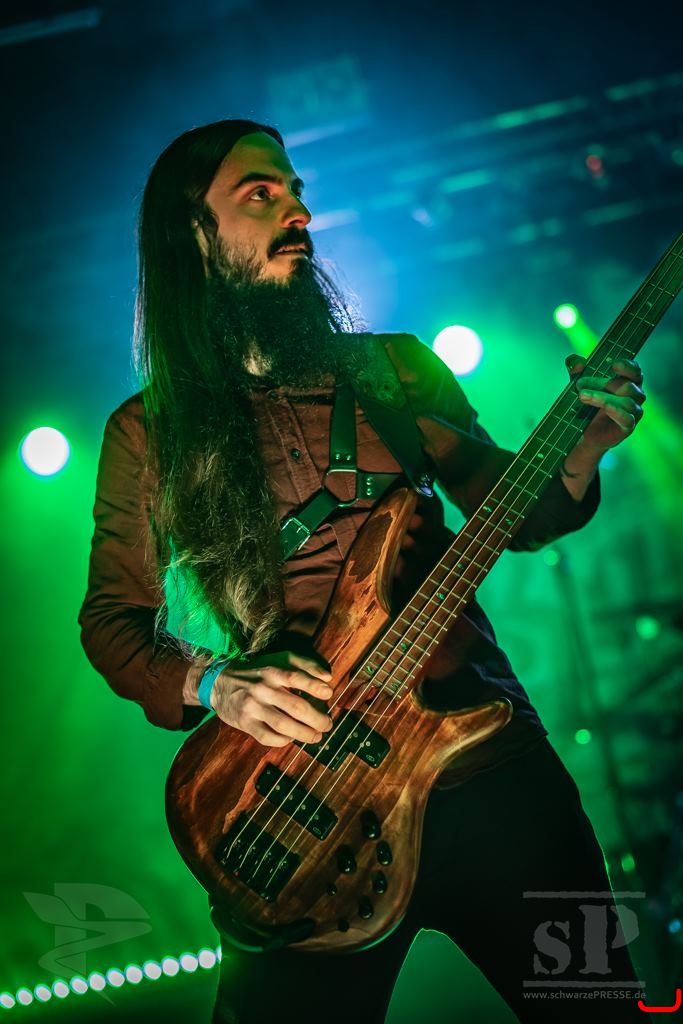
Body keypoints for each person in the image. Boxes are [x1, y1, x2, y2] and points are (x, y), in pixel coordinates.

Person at [79, 119, 650, 1023]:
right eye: (261, 194)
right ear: (193, 232)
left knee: (594, 1006)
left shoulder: (394, 368)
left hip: (488, 766)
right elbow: (111, 622)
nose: (297, 211)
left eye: (296, 190)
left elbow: (519, 509)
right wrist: (215, 684)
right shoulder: (147, 431)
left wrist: (581, 447)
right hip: (305, 805)